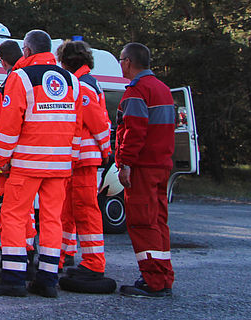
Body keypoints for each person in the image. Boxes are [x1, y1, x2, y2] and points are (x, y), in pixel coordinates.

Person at [0, 30, 81, 298]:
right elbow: (75, 125)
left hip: (27, 162)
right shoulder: (72, 80)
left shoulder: (20, 77)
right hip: (59, 164)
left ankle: (13, 278)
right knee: (52, 219)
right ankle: (47, 280)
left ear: (26, 51)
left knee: (14, 216)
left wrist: (2, 157)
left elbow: (11, 123)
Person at [115, 42, 175, 298]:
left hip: (142, 168)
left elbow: (134, 133)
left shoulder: (137, 92)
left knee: (142, 223)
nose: (120, 65)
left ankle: (152, 281)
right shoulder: (163, 89)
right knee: (158, 222)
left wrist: (125, 164)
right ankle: (162, 276)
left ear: (128, 62)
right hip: (161, 166)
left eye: (121, 60)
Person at [55, 40, 112, 278]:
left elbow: (98, 123)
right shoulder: (86, 82)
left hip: (84, 159)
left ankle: (93, 262)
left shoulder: (83, 85)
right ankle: (65, 252)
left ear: (66, 62)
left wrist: (106, 150)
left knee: (86, 210)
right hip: (76, 159)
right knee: (66, 209)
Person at [0, 40, 38, 280]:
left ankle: (18, 257)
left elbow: (8, 122)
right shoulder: (24, 77)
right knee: (22, 209)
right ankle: (25, 253)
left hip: (11, 157)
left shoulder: (15, 79)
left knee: (11, 209)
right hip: (23, 155)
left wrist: (2, 155)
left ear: (3, 59)